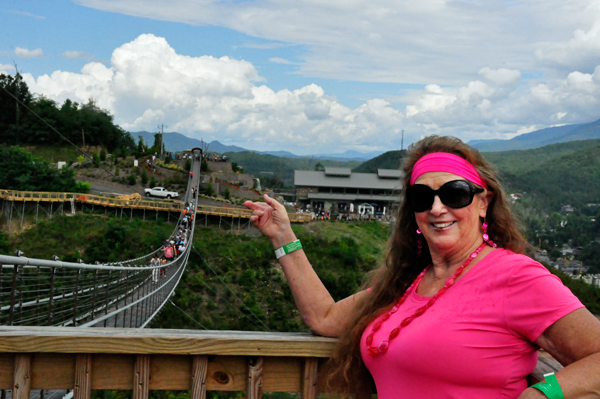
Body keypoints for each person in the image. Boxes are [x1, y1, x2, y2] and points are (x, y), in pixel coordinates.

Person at [244, 135, 600, 399]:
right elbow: (324, 318)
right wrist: (282, 236)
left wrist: (541, 394)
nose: (437, 208)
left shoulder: (516, 276)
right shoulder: (408, 283)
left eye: (455, 193)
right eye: (422, 196)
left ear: (482, 203)